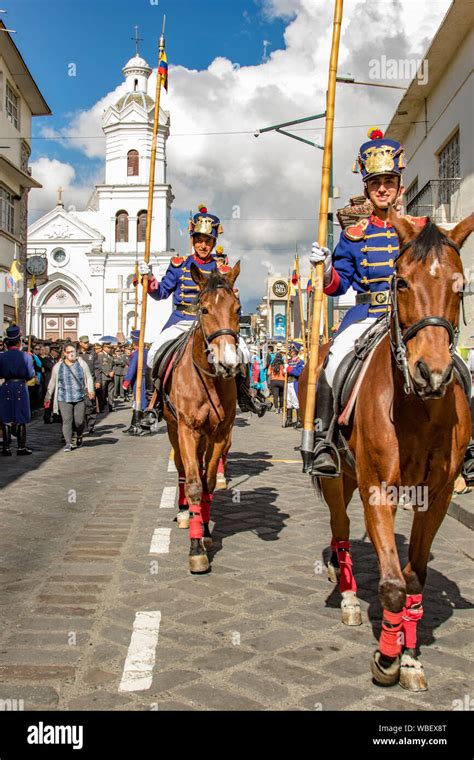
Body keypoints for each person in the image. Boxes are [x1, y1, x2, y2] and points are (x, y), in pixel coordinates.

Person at [309, 127, 427, 475]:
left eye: (389, 180)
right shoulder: (354, 235)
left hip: (410, 316)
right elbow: (336, 286)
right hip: (366, 313)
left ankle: (465, 447)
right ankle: (324, 442)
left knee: (452, 363)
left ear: (399, 186)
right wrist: (326, 266)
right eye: (376, 182)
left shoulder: (420, 228)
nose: (383, 188)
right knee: (333, 360)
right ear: (367, 189)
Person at [139, 204, 266, 416]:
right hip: (182, 319)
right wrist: (149, 278)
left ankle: (245, 396)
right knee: (153, 354)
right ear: (193, 241)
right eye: (199, 240)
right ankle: (153, 404)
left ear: (214, 242)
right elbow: (161, 293)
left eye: (208, 241)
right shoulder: (179, 265)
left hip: (214, 324)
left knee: (243, 352)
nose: (203, 245)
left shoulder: (222, 270)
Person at [44, 343, 95, 452]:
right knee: (67, 420)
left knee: (79, 421)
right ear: (64, 354)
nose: (71, 354)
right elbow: (52, 382)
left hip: (79, 397)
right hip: (63, 397)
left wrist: (90, 390)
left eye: (73, 352)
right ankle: (68, 443)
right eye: (68, 352)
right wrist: (48, 397)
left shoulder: (81, 364)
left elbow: (89, 377)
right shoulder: (58, 366)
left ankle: (79, 435)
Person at [0, 325, 35, 455]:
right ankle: (21, 446)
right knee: (21, 416)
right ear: (19, 341)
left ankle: (6, 447)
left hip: (7, 385)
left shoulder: (2, 356)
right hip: (20, 385)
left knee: (6, 416)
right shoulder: (26, 356)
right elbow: (30, 374)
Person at [77, 335, 100, 433]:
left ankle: (91, 425)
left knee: (91, 404)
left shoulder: (93, 354)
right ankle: (79, 425)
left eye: (87, 342)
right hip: (78, 383)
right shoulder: (76, 354)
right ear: (80, 343)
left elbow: (97, 368)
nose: (87, 344)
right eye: (85, 343)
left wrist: (98, 381)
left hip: (90, 382)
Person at [284, 344, 305, 428]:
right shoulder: (287, 361)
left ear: (296, 352)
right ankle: (289, 420)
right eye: (290, 350)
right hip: (288, 382)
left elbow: (298, 373)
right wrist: (284, 369)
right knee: (288, 401)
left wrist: (288, 368)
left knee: (296, 401)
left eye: (292, 351)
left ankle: (299, 420)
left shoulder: (300, 362)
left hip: (295, 383)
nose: (290, 352)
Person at [95, 342, 115, 413]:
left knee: (111, 392)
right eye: (108, 347)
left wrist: (113, 371)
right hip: (103, 376)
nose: (109, 349)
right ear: (103, 348)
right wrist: (107, 373)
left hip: (111, 377)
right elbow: (99, 366)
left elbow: (114, 365)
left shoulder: (111, 355)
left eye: (110, 347)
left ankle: (111, 406)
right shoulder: (100, 355)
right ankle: (101, 407)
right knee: (102, 392)